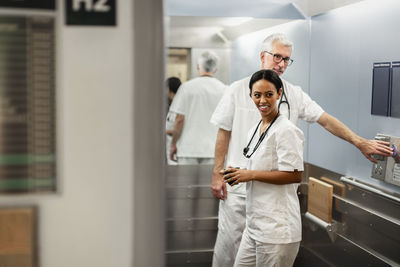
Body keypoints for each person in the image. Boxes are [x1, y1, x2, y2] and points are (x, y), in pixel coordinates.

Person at [210, 33, 393, 267]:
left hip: (273, 200)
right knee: (228, 251)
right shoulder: (237, 89)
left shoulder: (293, 93)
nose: (282, 64)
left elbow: (324, 119)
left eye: (287, 59)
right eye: (277, 56)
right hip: (238, 191)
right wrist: (217, 173)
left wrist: (359, 142)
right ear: (262, 56)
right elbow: (223, 130)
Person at [224, 69, 304, 266]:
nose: (263, 100)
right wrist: (237, 172)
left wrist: (250, 174)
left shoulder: (286, 130)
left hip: (277, 230)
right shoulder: (255, 129)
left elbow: (294, 175)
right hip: (254, 226)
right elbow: (260, 164)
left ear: (279, 93)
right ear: (250, 95)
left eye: (269, 94)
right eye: (257, 95)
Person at [169, 51, 226, 164]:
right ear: (215, 69)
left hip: (188, 150)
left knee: (186, 182)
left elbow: (179, 119)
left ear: (198, 66)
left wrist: (173, 144)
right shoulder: (224, 89)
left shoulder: (186, 87)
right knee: (211, 182)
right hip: (213, 151)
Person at [165, 77, 181, 165]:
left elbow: (180, 128)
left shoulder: (178, 105)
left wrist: (163, 131)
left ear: (168, 89)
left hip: (175, 151)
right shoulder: (173, 104)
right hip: (171, 150)